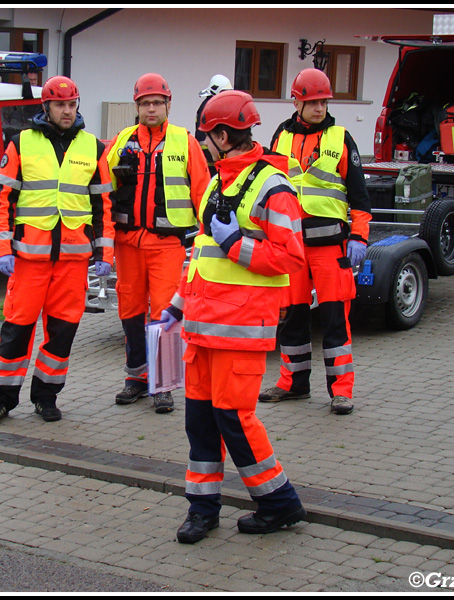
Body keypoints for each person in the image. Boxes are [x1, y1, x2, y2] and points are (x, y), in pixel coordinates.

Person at [159, 90, 307, 544]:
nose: (204, 144)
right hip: (202, 328)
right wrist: (177, 305)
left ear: (224, 135)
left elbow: (289, 258)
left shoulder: (273, 188)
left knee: (236, 420)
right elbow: (201, 254)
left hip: (241, 330)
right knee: (199, 421)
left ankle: (279, 503)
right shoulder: (215, 184)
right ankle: (202, 509)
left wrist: (235, 244)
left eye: (208, 136)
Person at [0, 75, 114, 427]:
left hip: (72, 260)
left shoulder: (94, 148)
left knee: (62, 335)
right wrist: (2, 248)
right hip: (27, 259)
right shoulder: (22, 143)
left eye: (72, 104)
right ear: (47, 107)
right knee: (16, 332)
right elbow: (1, 201)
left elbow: (103, 206)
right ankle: (0, 399)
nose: (67, 111)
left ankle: (45, 397)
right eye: (60, 105)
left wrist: (105, 254)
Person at [260, 68, 372, 416]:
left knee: (335, 317)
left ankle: (341, 391)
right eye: (312, 102)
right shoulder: (280, 135)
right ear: (297, 101)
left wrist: (359, 237)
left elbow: (360, 197)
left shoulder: (341, 137)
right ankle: (293, 384)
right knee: (292, 316)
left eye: (324, 101)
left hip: (330, 247)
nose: (319, 108)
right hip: (291, 247)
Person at [105, 73, 210, 413]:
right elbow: (103, 195)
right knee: (130, 312)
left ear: (168, 104)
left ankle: (162, 385)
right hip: (127, 243)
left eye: (156, 102)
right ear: (136, 106)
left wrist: (208, 241)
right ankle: (136, 378)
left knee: (164, 313)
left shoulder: (186, 142)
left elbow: (204, 194)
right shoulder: (120, 141)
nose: (151, 108)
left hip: (167, 244)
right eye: (144, 103)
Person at [195, 74, 233, 176]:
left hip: (216, 158)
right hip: (210, 161)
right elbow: (202, 136)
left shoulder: (215, 106)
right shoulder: (208, 108)